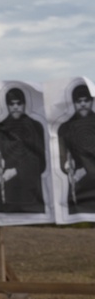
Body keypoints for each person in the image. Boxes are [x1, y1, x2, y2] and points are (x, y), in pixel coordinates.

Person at [0, 86, 47, 215]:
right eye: (11, 104)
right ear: (7, 105)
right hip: (7, 191)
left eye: (19, 103)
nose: (15, 107)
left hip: (32, 192)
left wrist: (17, 170)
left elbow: (41, 162)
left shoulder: (36, 127)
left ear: (24, 104)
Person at [58, 82, 95, 214]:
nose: (83, 104)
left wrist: (87, 169)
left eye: (86, 100)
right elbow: (60, 154)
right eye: (79, 101)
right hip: (78, 186)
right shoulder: (65, 127)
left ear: (92, 101)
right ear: (73, 103)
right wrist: (66, 165)